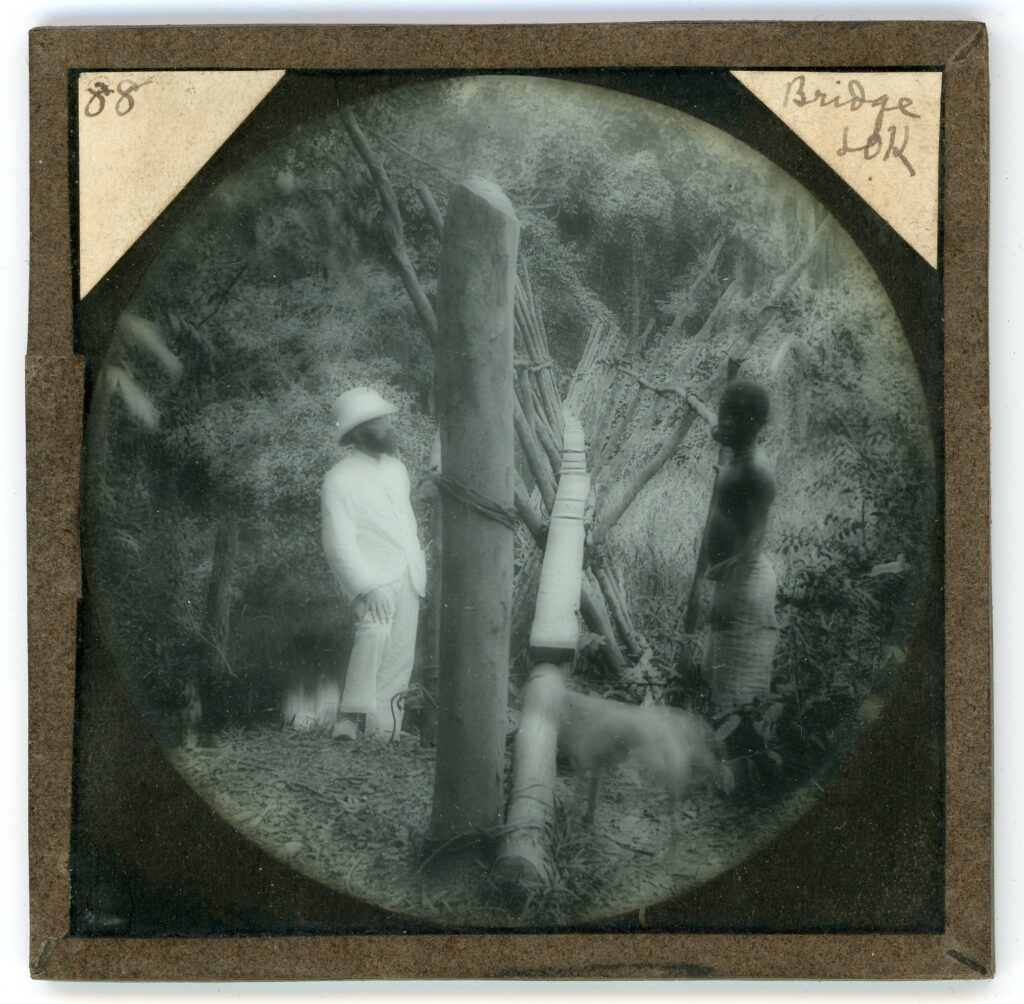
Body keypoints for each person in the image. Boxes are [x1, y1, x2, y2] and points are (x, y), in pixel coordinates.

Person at [321, 387, 427, 740]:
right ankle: (348, 719)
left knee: (400, 652)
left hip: (408, 571)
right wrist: (366, 586)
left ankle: (386, 730)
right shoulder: (339, 478)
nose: (387, 426)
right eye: (378, 421)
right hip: (372, 577)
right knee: (374, 632)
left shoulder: (397, 470)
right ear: (358, 431)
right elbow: (338, 543)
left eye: (385, 419)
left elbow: (400, 521)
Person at [703, 379, 780, 713]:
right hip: (733, 583)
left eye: (739, 415)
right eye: (725, 411)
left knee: (738, 701)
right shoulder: (739, 458)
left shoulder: (755, 470)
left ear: (758, 424)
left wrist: (727, 590)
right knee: (723, 688)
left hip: (745, 586)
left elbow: (753, 541)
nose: (728, 420)